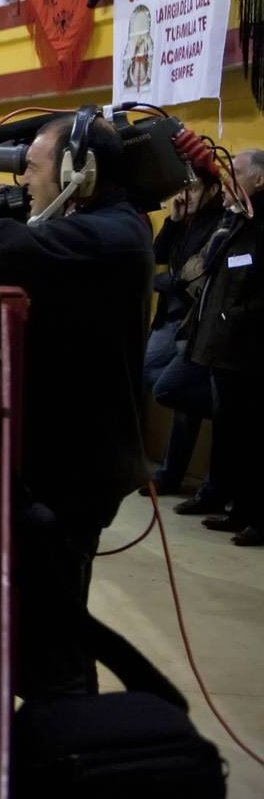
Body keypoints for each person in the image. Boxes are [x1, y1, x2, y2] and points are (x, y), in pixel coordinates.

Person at [0, 114, 153, 695]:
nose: (24, 180)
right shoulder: (103, 223)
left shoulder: (111, 234)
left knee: (55, 632)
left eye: (32, 167)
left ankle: (70, 740)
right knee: (51, 616)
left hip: (78, 467)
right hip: (72, 454)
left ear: (80, 172)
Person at [183, 149, 264, 546]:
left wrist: (237, 315)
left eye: (238, 172)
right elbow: (209, 265)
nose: (229, 179)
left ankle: (255, 516)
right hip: (223, 345)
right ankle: (238, 509)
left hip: (248, 347)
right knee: (232, 432)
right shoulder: (237, 218)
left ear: (260, 180)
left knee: (250, 436)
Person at [143, 176, 223, 497]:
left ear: (212, 190)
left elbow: (202, 273)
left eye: (191, 188)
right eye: (181, 188)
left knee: (175, 391)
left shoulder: (219, 221)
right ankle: (170, 474)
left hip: (194, 320)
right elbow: (158, 255)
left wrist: (169, 282)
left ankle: (170, 474)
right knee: (150, 373)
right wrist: (174, 221)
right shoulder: (185, 220)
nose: (184, 195)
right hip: (170, 316)